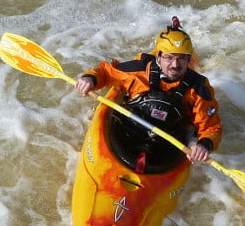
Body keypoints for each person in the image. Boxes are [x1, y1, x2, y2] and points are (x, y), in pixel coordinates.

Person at [75, 16, 222, 165]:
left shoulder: (199, 88)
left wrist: (204, 145)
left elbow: (211, 128)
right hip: (129, 129)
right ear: (158, 56)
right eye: (169, 58)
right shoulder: (138, 70)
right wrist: (90, 79)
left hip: (167, 142)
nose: (175, 65)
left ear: (188, 59)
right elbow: (106, 71)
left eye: (182, 59)